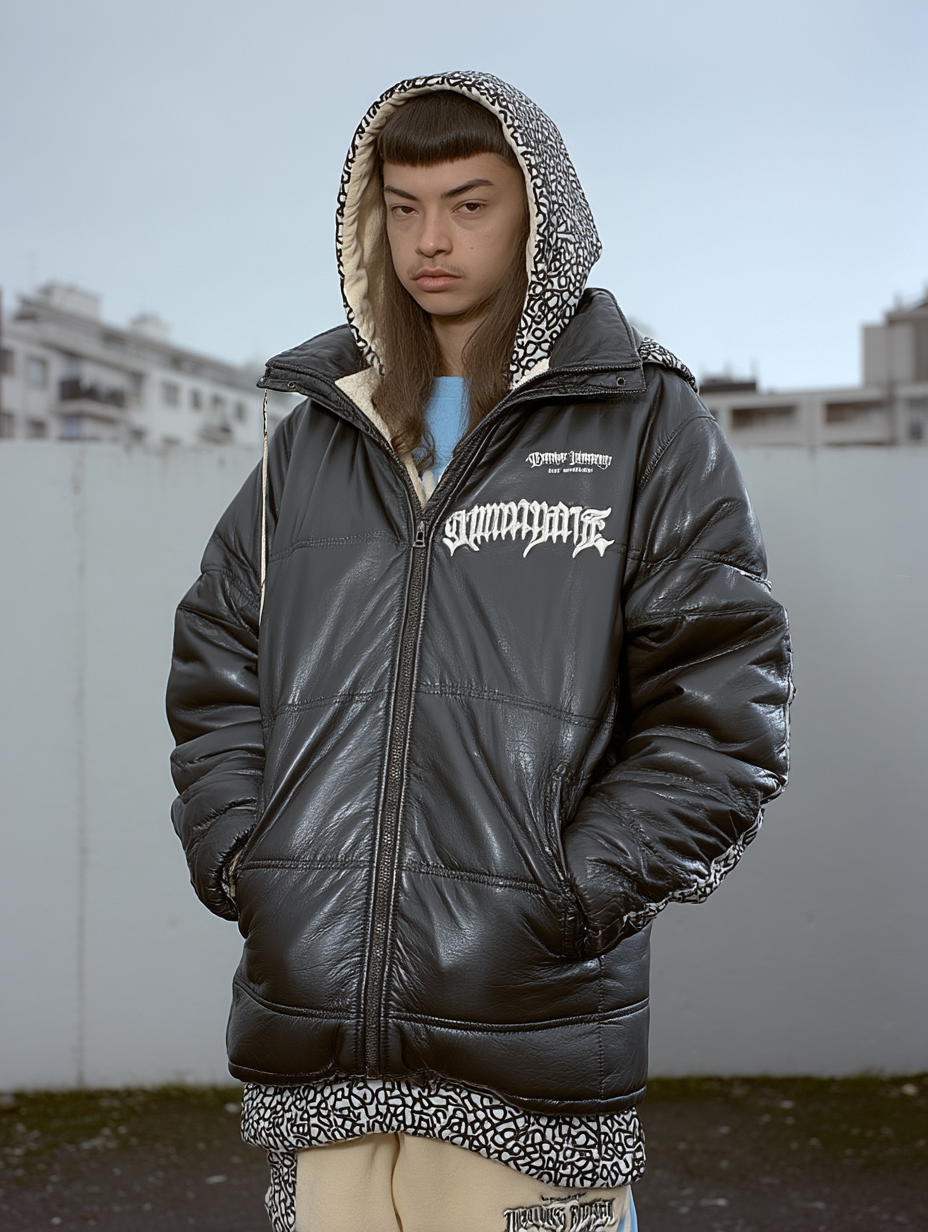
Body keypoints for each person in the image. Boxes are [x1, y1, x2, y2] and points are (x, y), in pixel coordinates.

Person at [167, 72, 792, 1232]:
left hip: (527, 1026)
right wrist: (245, 851)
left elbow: (724, 710)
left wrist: (567, 892)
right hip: (320, 1034)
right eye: (401, 208)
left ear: (539, 214)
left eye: (468, 202)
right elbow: (216, 657)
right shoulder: (321, 434)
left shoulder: (644, 423)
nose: (430, 241)